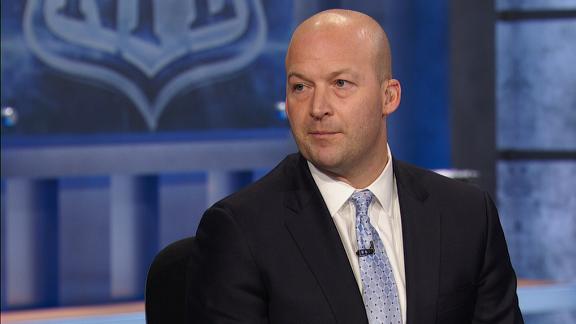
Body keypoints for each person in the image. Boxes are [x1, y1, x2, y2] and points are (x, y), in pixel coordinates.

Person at [195, 9, 523, 324]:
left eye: (340, 84)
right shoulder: (241, 230)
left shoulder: (466, 215)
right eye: (300, 87)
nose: (318, 108)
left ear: (389, 97)